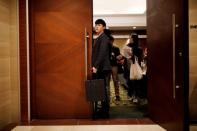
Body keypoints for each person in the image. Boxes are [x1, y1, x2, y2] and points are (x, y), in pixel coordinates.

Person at [92, 19, 112, 118]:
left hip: (103, 68)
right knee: (102, 89)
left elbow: (102, 53)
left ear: (103, 27)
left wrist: (96, 66)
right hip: (101, 67)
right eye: (95, 25)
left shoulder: (104, 37)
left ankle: (105, 112)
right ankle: (104, 110)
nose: (96, 27)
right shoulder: (99, 37)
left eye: (99, 25)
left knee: (103, 89)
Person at [109, 36, 121, 103]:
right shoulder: (106, 48)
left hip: (114, 66)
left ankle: (117, 96)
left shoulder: (116, 48)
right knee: (107, 82)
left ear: (113, 41)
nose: (110, 42)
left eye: (111, 41)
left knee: (115, 81)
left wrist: (118, 57)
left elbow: (119, 57)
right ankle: (108, 97)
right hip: (107, 66)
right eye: (109, 41)